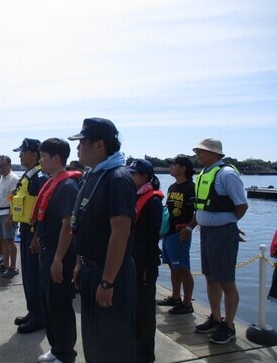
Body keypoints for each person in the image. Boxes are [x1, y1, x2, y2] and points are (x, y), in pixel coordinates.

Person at [69, 117, 136, 362]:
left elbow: (120, 233)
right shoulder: (93, 175)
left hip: (110, 274)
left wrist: (107, 282)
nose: (78, 147)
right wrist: (80, 263)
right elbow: (85, 223)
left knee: (112, 344)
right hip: (90, 268)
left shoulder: (117, 178)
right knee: (94, 339)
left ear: (99, 145)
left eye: (82, 142)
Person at [182, 138, 248, 344]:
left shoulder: (226, 174)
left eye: (201, 151)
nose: (198, 154)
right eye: (197, 151)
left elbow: (241, 205)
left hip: (222, 233)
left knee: (226, 280)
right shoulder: (204, 174)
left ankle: (228, 326)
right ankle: (215, 317)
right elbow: (200, 207)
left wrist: (229, 223)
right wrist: (191, 226)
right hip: (207, 232)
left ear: (215, 154)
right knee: (210, 277)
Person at [35, 138, 81, 363]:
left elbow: (67, 226)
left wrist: (58, 259)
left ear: (56, 158)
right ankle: (56, 348)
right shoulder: (52, 182)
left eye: (43, 157)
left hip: (58, 252)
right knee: (48, 302)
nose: (40, 161)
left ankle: (66, 354)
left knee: (60, 304)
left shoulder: (67, 186)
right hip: (47, 250)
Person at [11, 138, 49, 334]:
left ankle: (39, 316)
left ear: (34, 155)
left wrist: (37, 237)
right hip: (26, 230)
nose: (20, 155)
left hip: (34, 232)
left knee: (34, 275)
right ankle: (32, 310)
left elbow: (43, 210)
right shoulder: (29, 175)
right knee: (28, 274)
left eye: (23, 152)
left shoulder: (39, 177)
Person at [128, 159, 163, 363]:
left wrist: (148, 269)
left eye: (134, 174)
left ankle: (145, 355)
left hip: (144, 264)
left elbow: (152, 237)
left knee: (145, 310)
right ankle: (134, 348)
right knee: (134, 308)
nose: (130, 177)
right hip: (133, 259)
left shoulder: (153, 201)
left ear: (144, 177)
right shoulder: (136, 196)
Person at [159, 155, 196, 315]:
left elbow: (198, 211)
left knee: (183, 268)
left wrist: (189, 228)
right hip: (169, 233)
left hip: (181, 234)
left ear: (183, 168)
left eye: (174, 165)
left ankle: (187, 303)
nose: (171, 167)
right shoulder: (172, 187)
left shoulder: (191, 187)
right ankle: (175, 296)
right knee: (173, 266)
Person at [0, 155, 20, 278]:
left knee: (9, 240)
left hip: (7, 213)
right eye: (0, 166)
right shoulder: (1, 178)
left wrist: (10, 217)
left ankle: (13, 266)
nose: (2, 168)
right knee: (2, 240)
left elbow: (14, 199)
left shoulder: (14, 179)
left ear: (10, 166)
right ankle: (6, 264)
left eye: (4, 166)